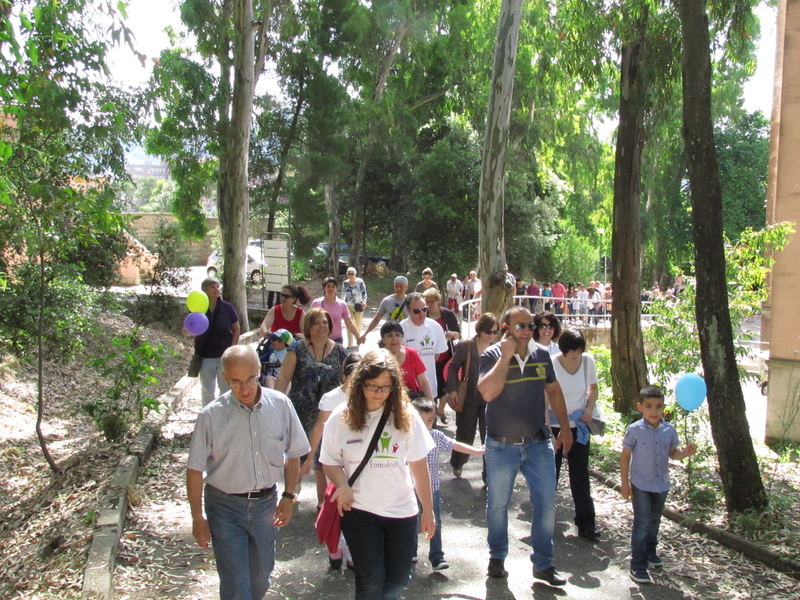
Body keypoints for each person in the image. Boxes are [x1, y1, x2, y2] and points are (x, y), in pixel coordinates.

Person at [186, 345, 310, 600]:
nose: (245, 389)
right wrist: (198, 517)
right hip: (224, 507)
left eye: (250, 379)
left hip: (266, 505)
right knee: (235, 584)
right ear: (224, 378)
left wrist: (288, 496)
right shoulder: (210, 416)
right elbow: (195, 469)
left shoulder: (281, 405)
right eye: (236, 381)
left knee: (260, 578)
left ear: (259, 371)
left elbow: (294, 452)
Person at [320, 349, 435, 600]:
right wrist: (342, 485)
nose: (378, 393)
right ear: (360, 381)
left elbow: (418, 465)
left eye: (386, 387)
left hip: (401, 511)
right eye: (372, 385)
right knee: (370, 578)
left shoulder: (407, 416)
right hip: (359, 510)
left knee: (397, 579)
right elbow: (328, 461)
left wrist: (428, 510)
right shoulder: (340, 418)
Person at [477, 306, 573, 586]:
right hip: (500, 445)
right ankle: (497, 557)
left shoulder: (542, 355)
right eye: (520, 326)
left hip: (537, 443)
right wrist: (505, 357)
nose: (527, 331)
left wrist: (565, 428)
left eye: (530, 326)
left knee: (546, 503)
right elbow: (488, 392)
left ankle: (543, 564)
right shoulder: (492, 355)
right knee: (497, 505)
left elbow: (553, 390)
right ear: (506, 328)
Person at [621, 385, 696, 585]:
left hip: (661, 484)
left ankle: (650, 552)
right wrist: (624, 483)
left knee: (654, 522)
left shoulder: (668, 430)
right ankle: (637, 564)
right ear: (640, 407)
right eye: (649, 406)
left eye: (658, 406)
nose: (654, 411)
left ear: (664, 407)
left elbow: (673, 453)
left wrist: (685, 453)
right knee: (642, 523)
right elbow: (625, 455)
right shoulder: (634, 430)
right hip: (641, 485)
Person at [274, 308, 348, 503]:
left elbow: (348, 380)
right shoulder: (297, 349)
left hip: (328, 414)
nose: (321, 326)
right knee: (297, 456)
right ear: (308, 326)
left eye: (324, 322)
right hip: (300, 411)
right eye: (316, 323)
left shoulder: (340, 351)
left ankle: (323, 503)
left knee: (324, 461)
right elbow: (283, 377)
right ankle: (290, 494)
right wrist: (275, 401)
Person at [411, 398, 484, 571]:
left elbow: (455, 445)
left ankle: (437, 556)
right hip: (410, 489)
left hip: (432, 488)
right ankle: (410, 550)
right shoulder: (406, 437)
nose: (426, 425)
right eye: (421, 420)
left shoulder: (435, 436)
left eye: (430, 421)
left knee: (434, 520)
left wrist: (477, 451)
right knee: (411, 520)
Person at [302, 352, 361, 568]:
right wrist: (310, 457)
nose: (353, 375)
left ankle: (354, 553)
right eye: (349, 370)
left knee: (357, 507)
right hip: (335, 461)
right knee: (337, 505)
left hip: (359, 462)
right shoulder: (331, 398)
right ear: (343, 374)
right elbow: (319, 428)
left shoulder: (368, 396)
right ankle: (335, 550)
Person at [549, 329, 600, 541]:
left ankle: (586, 523)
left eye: (578, 350)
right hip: (554, 423)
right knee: (551, 473)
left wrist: (589, 409)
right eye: (571, 350)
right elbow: (545, 395)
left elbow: (593, 388)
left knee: (580, 474)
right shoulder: (551, 363)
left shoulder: (587, 362)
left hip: (579, 424)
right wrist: (547, 430)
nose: (575, 355)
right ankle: (546, 520)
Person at [446, 313, 498, 482]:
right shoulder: (467, 346)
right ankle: (458, 462)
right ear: (480, 330)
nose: (491, 335)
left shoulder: (497, 349)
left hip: (489, 400)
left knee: (489, 437)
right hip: (468, 398)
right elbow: (453, 368)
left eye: (495, 332)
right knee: (465, 434)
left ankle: (488, 476)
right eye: (488, 331)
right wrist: (452, 390)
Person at [183, 277, 240, 407]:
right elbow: (190, 327)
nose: (216, 289)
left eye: (218, 286)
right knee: (207, 391)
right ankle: (208, 417)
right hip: (205, 356)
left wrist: (232, 350)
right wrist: (187, 332)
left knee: (225, 389)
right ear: (205, 290)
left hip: (223, 355)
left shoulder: (227, 307)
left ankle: (225, 415)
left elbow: (236, 329)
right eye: (212, 287)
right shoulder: (198, 307)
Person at [399, 293, 447, 410]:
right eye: (417, 311)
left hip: (430, 387)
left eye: (425, 309)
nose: (422, 314)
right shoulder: (400, 329)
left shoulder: (435, 327)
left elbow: (437, 355)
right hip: (407, 390)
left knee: (429, 425)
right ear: (408, 310)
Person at [421, 288, 461, 424]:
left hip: (447, 356)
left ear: (438, 301)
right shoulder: (422, 316)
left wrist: (453, 334)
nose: (429, 304)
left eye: (432, 301)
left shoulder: (448, 314)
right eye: (427, 302)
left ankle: (441, 410)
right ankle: (431, 414)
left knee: (446, 385)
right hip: (429, 357)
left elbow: (458, 333)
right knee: (432, 385)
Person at [380, 321, 434, 400]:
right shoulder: (378, 357)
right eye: (389, 335)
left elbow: (423, 382)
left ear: (402, 337)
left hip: (411, 401)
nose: (394, 339)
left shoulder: (412, 353)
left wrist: (431, 406)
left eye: (398, 335)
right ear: (383, 339)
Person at [358, 276, 410, 344]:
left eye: (401, 286)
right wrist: (365, 334)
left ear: (406, 287)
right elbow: (376, 319)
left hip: (406, 336)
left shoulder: (411, 301)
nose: (398, 289)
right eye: (396, 286)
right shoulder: (387, 301)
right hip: (391, 337)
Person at [311, 277, 360, 345]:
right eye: (328, 286)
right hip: (319, 339)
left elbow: (349, 323)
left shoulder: (342, 304)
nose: (331, 288)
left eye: (333, 286)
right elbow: (310, 322)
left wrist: (358, 336)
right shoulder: (316, 303)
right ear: (324, 288)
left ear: (336, 289)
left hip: (337, 340)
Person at [342, 268, 367, 348]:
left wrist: (364, 301)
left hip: (358, 305)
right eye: (349, 274)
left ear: (355, 274)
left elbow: (364, 292)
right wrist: (342, 304)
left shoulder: (360, 281)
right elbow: (343, 294)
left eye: (352, 273)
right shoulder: (345, 283)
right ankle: (349, 343)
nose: (351, 275)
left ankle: (358, 341)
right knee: (349, 324)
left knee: (358, 324)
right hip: (348, 305)